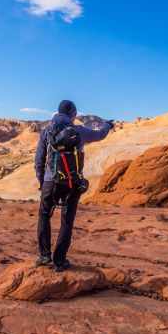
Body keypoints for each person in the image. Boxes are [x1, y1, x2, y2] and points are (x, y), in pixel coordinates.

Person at [34, 100, 113, 272]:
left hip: (50, 181)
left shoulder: (47, 131)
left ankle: (44, 256)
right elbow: (100, 134)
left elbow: (39, 159)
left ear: (57, 112)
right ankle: (59, 261)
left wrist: (42, 181)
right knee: (67, 222)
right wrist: (107, 125)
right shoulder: (79, 131)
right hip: (72, 182)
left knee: (44, 216)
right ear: (73, 114)